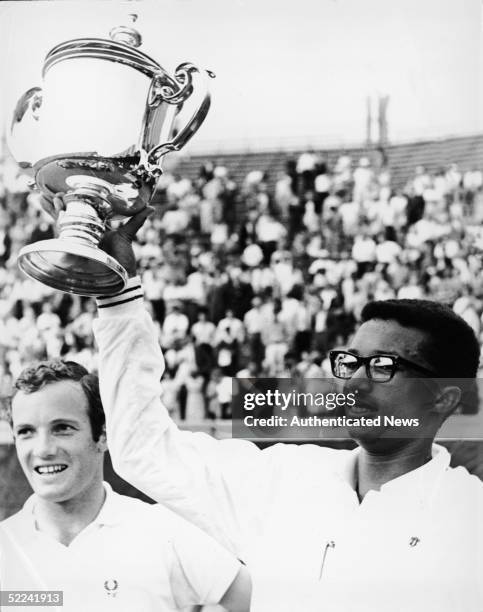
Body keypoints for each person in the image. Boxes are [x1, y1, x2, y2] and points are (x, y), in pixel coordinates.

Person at [94, 213, 483, 611]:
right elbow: (143, 451)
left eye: (383, 366)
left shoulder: (469, 520)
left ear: (444, 398)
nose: (353, 383)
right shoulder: (283, 479)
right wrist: (118, 298)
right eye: (349, 362)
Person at [0, 358, 251, 612]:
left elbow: (263, 599)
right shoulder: (5, 546)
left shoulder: (164, 531)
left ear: (104, 436)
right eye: (26, 432)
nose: (43, 449)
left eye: (62, 428)